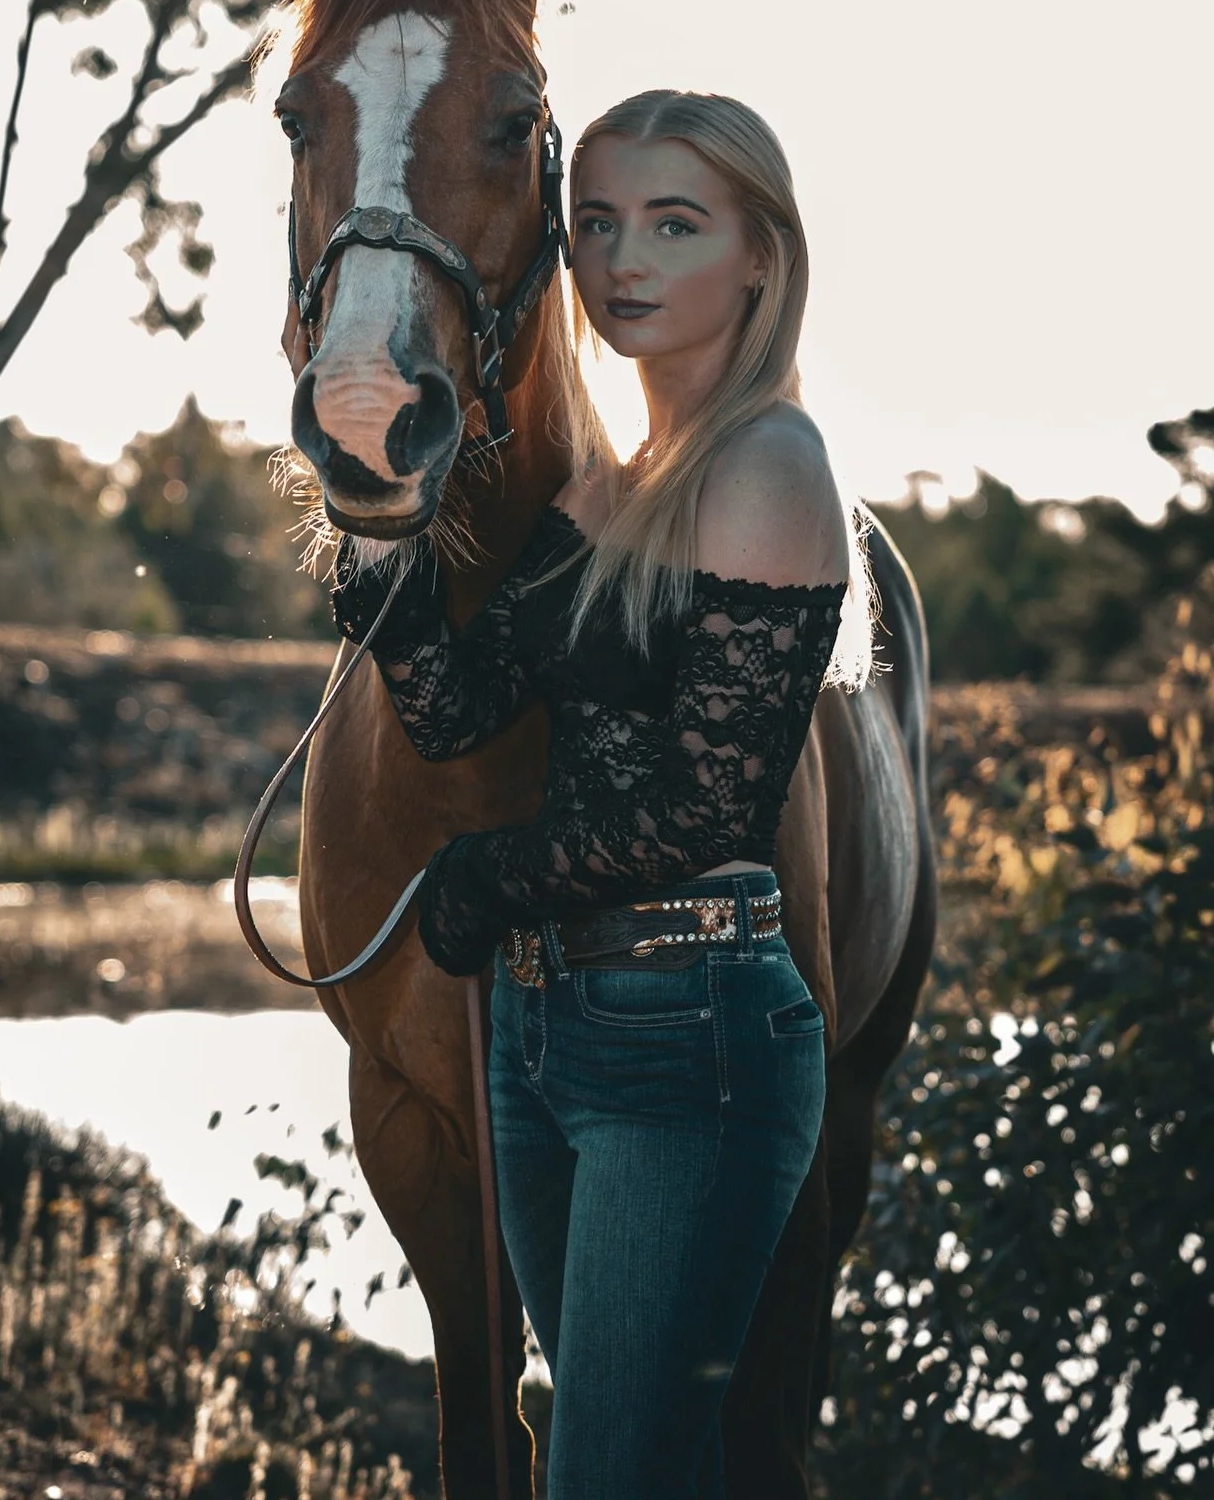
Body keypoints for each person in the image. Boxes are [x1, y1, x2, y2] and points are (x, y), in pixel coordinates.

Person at [329, 88, 876, 1500]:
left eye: (675, 225)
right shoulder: (607, 493)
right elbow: (457, 710)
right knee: (627, 1459)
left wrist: (481, 882)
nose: (622, 261)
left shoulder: (769, 467)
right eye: (599, 225)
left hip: (687, 1038)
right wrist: (381, 562)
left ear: (761, 255)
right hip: (547, 1033)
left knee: (609, 1477)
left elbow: (703, 812)